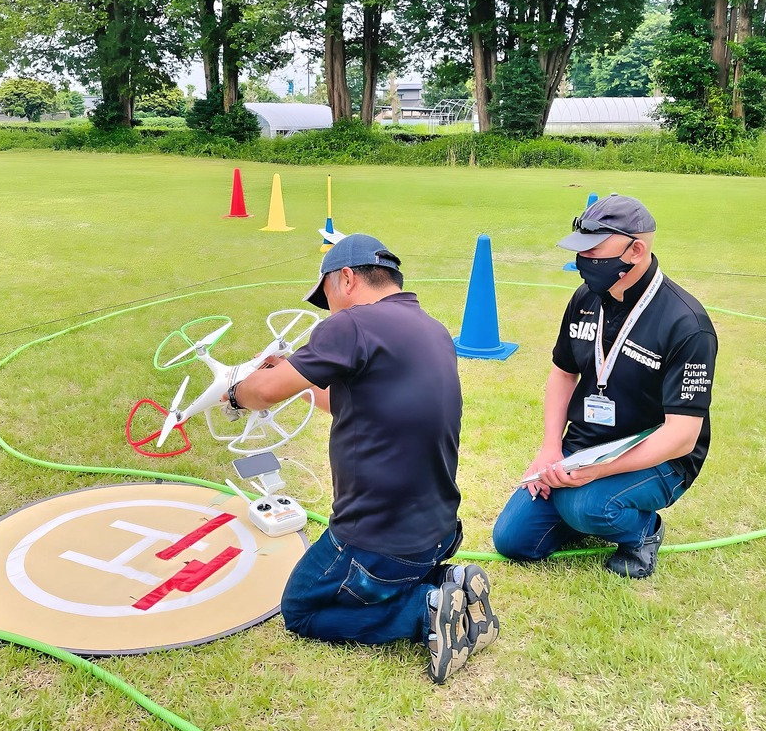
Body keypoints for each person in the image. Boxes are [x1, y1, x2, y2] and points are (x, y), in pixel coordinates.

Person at [225, 233, 499, 684]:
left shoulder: (351, 325)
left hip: (377, 542)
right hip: (437, 531)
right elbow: (353, 400)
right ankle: (449, 582)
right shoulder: (430, 329)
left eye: (328, 295)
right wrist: (299, 370)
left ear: (347, 278)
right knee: (373, 578)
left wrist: (236, 392)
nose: (328, 309)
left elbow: (262, 394)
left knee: (301, 609)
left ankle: (426, 613)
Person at [492, 195, 717, 578]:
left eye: (594, 250)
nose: (584, 260)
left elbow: (681, 437)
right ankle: (581, 504)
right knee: (513, 541)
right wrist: (550, 449)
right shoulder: (585, 299)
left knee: (588, 506)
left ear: (637, 250)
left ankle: (644, 531)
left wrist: (599, 471)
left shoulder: (686, 323)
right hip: (583, 448)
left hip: (659, 457)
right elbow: (563, 373)